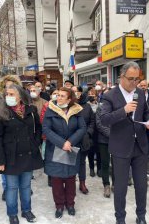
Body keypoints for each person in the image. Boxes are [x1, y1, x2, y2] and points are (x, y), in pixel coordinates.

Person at [100, 61, 149, 224]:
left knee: (141, 186)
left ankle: (141, 216)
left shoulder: (140, 92)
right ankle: (120, 218)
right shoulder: (110, 95)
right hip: (121, 148)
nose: (134, 82)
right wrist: (123, 110)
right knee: (121, 188)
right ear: (121, 77)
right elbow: (104, 119)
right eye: (131, 78)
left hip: (140, 146)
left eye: (137, 79)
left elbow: (146, 112)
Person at [0, 84, 43, 224]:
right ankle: (12, 213)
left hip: (28, 153)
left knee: (26, 186)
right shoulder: (1, 112)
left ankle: (26, 210)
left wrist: (35, 142)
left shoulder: (31, 110)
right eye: (7, 94)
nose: (8, 97)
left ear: (20, 96)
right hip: (10, 157)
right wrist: (0, 160)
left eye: (12, 94)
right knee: (12, 187)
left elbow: (38, 128)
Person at [43, 87, 86, 219]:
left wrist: (70, 142)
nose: (59, 98)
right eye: (58, 95)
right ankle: (59, 205)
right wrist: (62, 143)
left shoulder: (76, 110)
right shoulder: (51, 110)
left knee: (70, 178)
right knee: (56, 179)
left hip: (71, 148)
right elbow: (46, 129)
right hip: (56, 148)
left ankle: (70, 204)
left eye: (62, 96)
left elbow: (82, 128)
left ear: (69, 99)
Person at [72, 86, 95, 194]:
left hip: (84, 139)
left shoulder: (86, 107)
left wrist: (88, 133)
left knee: (81, 162)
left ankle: (82, 183)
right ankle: (70, 184)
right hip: (71, 139)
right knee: (70, 162)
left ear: (80, 93)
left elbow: (92, 121)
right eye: (73, 91)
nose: (75, 93)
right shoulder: (67, 106)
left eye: (77, 91)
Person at [96, 89, 114, 198]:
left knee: (117, 163)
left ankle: (115, 184)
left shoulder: (120, 107)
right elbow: (99, 124)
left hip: (117, 140)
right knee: (105, 163)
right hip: (103, 140)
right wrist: (111, 135)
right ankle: (106, 184)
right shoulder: (100, 108)